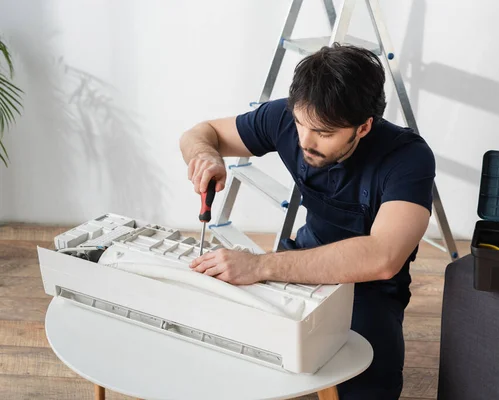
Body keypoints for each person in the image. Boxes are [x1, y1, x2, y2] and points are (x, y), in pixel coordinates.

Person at [179, 43, 435, 400]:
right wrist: (205, 155)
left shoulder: (408, 158)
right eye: (301, 124)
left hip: (368, 290)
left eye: (325, 134)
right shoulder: (287, 119)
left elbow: (383, 257)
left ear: (363, 127)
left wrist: (259, 266)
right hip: (300, 259)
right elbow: (199, 132)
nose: (306, 141)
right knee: (220, 355)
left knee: (368, 389)